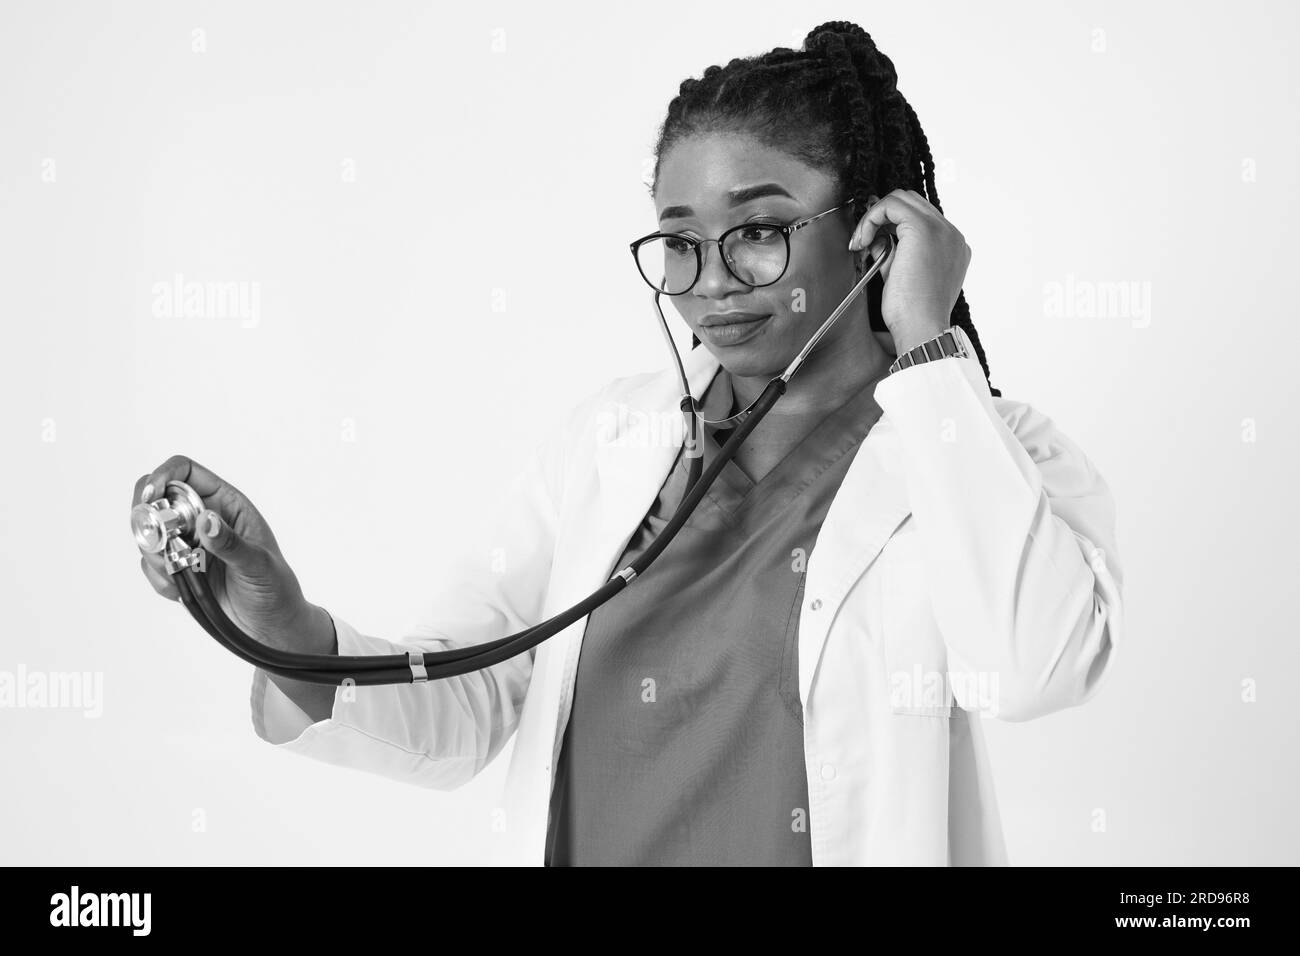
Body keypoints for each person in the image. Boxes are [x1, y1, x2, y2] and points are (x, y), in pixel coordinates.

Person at [134, 21, 1123, 866]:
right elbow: (467, 698)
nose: (712, 279)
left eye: (760, 229)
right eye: (679, 240)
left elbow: (1036, 667)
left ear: (874, 229)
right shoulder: (613, 439)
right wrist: (287, 622)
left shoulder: (988, 450)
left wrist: (928, 348)